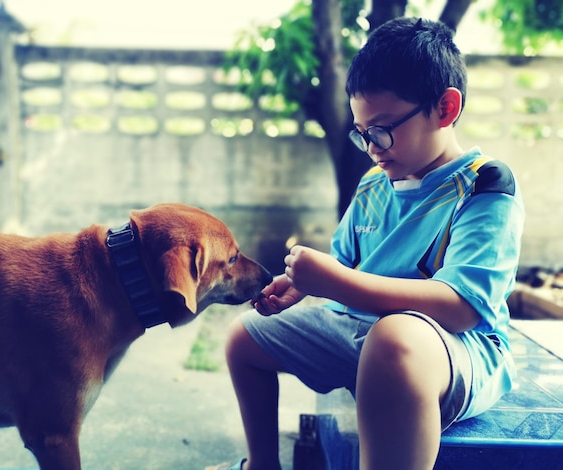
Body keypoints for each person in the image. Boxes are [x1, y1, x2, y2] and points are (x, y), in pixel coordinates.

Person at [207, 16, 524, 470]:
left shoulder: (484, 186)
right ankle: (262, 465)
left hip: (451, 351)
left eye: (382, 129)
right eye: (362, 133)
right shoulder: (374, 184)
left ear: (445, 109)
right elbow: (346, 266)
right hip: (362, 332)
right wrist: (304, 285)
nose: (372, 146)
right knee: (244, 338)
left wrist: (337, 284)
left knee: (393, 338)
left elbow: (462, 306)